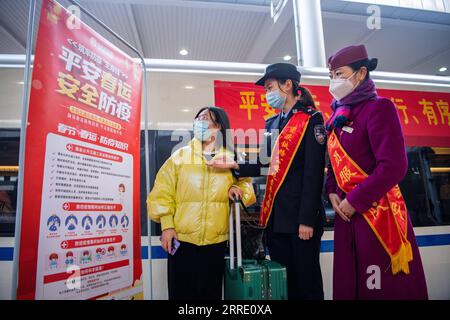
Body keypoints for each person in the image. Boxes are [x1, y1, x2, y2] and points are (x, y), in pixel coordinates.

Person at [209, 63, 326, 300]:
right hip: (276, 219)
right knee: (283, 281)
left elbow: (314, 174)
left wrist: (306, 220)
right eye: (265, 90)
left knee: (307, 282)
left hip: (300, 221)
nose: (267, 94)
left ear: (288, 85)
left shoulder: (312, 119)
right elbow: (265, 164)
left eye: (269, 87)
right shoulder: (272, 123)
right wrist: (234, 164)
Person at [324, 44, 428, 299]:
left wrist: (354, 200)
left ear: (361, 73)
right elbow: (334, 165)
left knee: (379, 286)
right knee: (351, 283)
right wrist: (332, 192)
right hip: (346, 214)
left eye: (340, 74)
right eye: (331, 75)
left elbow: (393, 166)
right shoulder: (339, 115)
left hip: (376, 214)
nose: (334, 81)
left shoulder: (379, 108)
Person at [147, 106, 256, 300]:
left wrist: (237, 190)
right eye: (198, 118)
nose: (199, 122)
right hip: (181, 241)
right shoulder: (179, 157)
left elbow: (247, 188)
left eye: (206, 118)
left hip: (216, 242)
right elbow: (162, 193)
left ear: (218, 127)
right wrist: (167, 226)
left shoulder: (231, 158)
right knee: (181, 294)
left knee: (209, 295)